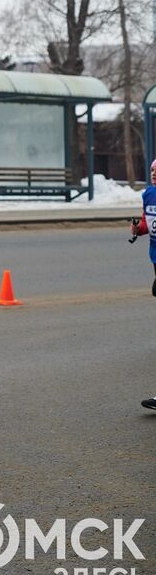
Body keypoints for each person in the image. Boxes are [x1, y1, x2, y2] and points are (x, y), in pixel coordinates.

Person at [131, 159, 156, 411]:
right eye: (152, 171)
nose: (155, 174)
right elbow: (149, 221)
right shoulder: (149, 194)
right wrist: (139, 229)